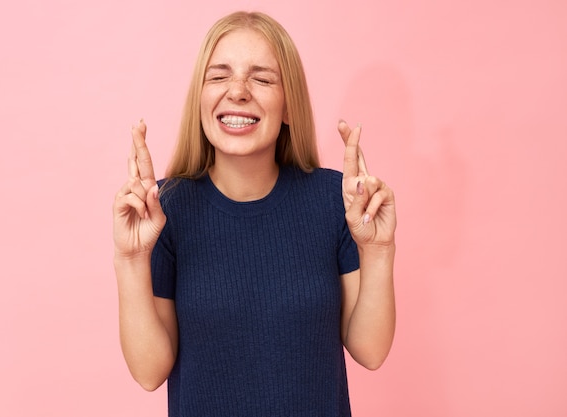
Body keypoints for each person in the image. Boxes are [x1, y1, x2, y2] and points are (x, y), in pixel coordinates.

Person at [113, 11, 396, 417]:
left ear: (288, 107)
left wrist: (379, 249)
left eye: (261, 79)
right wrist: (130, 259)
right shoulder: (163, 209)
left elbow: (370, 351)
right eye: (219, 76)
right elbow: (148, 372)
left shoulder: (337, 201)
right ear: (200, 100)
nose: (238, 92)